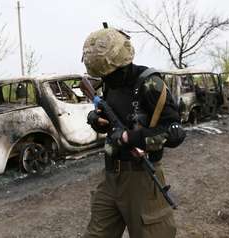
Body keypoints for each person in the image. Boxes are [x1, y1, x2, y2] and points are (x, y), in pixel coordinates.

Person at [82, 27, 185, 238]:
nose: (106, 80)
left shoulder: (149, 83)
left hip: (141, 178)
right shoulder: (110, 84)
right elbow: (109, 120)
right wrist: (96, 120)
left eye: (109, 74)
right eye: (102, 76)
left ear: (122, 62)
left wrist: (132, 137)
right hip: (111, 174)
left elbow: (174, 132)